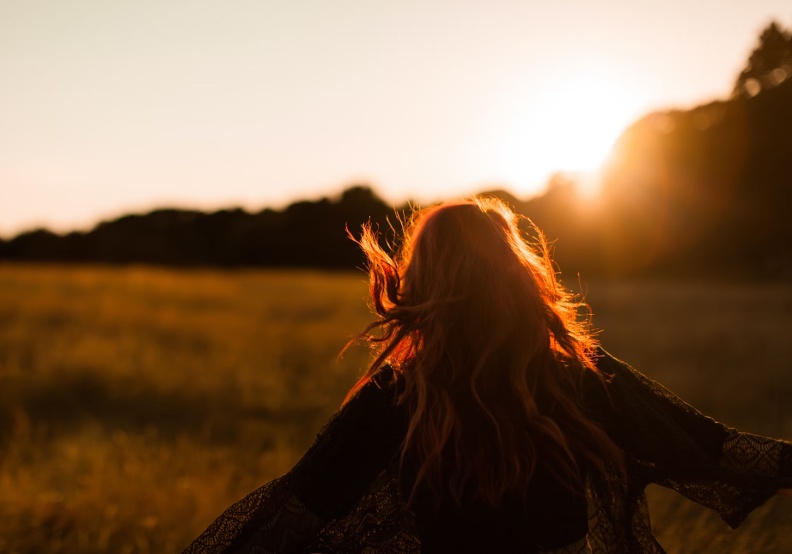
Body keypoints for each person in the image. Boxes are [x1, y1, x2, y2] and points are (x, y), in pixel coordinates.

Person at [182, 197, 791, 554]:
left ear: (422, 283)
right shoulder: (577, 377)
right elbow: (724, 451)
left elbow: (288, 515)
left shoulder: (395, 398)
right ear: (515, 274)